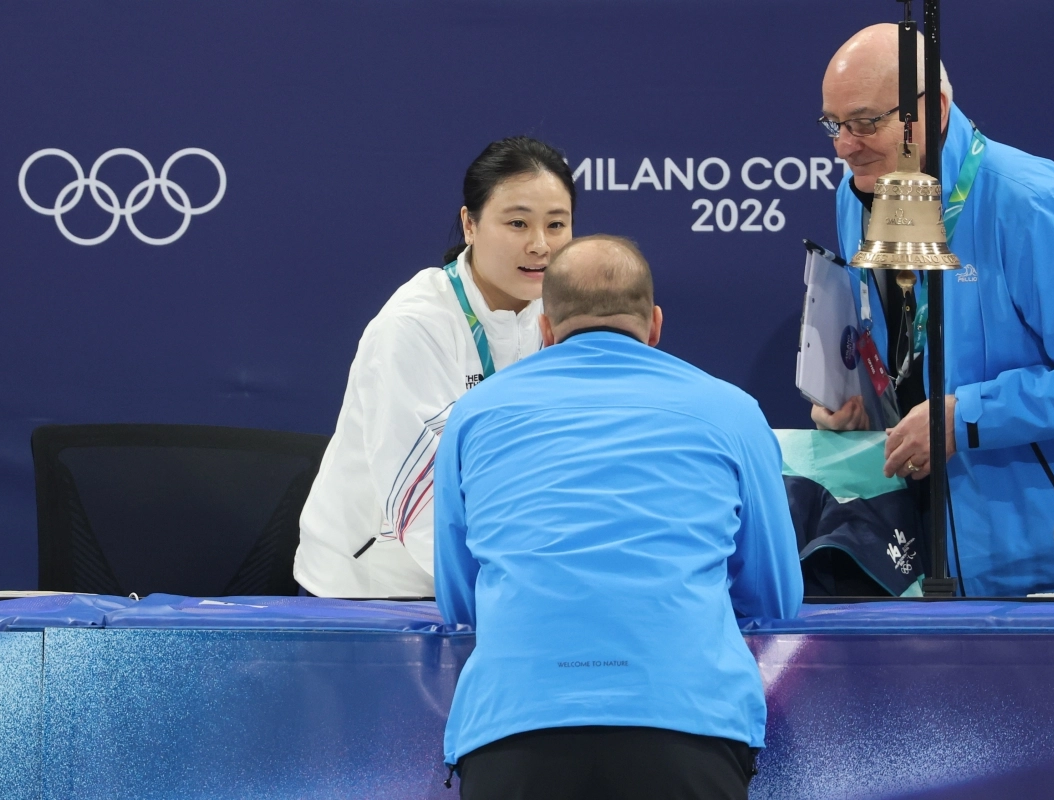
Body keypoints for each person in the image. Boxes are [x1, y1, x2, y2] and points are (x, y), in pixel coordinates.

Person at [434, 235, 803, 799]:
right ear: (654, 326)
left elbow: (460, 599)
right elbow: (775, 598)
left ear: (545, 330)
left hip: (514, 726)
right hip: (688, 724)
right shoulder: (732, 411)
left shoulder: (475, 414)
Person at [814, 25, 1054, 596]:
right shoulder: (858, 191)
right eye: (834, 125)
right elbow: (903, 345)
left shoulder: (1033, 206)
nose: (845, 145)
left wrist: (964, 418)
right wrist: (862, 406)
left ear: (932, 110)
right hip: (919, 558)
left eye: (866, 123)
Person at [293, 137, 576, 598]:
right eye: (518, 223)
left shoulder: (557, 312)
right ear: (470, 224)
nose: (540, 245)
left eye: (557, 224)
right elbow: (418, 499)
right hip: (376, 590)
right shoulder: (414, 325)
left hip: (496, 576)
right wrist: (510, 592)